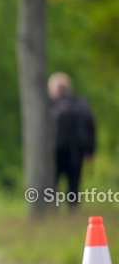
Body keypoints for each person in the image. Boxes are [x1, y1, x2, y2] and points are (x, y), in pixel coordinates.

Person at [49, 72, 96, 206]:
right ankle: (73, 210)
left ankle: (52, 210)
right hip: (76, 151)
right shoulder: (81, 104)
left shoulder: (49, 106)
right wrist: (90, 151)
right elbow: (91, 128)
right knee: (74, 184)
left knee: (53, 184)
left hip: (55, 151)